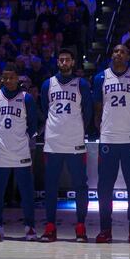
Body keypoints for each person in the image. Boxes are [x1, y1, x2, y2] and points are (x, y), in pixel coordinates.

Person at [93, 44, 130, 244]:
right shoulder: (100, 77)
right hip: (108, 138)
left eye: (123, 51)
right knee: (104, 187)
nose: (119, 54)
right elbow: (98, 107)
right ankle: (105, 229)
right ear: (112, 55)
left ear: (128, 56)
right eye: (116, 51)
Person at [39, 48, 92, 242]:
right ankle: (50, 226)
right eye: (60, 60)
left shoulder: (82, 84)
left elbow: (87, 113)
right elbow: (46, 110)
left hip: (75, 142)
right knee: (51, 186)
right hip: (53, 142)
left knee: (80, 185)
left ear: (73, 62)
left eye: (67, 60)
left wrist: (76, 129)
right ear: (57, 62)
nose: (63, 63)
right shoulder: (48, 84)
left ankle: (80, 226)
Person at [0, 63, 39, 242]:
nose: (8, 81)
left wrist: (26, 143)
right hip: (0, 151)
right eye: (5, 78)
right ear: (2, 79)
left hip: (21, 151)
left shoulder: (27, 99)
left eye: (12, 77)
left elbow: (33, 125)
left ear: (18, 78)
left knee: (26, 192)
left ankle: (30, 227)